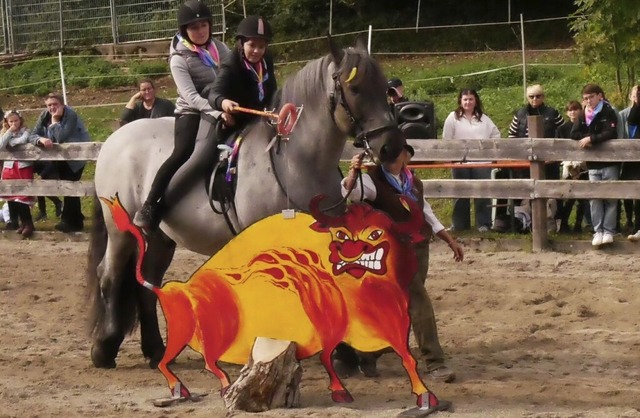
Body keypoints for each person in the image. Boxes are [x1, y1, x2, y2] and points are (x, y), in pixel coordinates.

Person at [333, 138, 463, 383]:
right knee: (417, 299)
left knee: (401, 306)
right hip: (391, 250)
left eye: (399, 154)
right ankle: (435, 362)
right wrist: (353, 171)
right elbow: (350, 192)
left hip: (418, 246)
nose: (397, 159)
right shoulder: (372, 180)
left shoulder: (413, 181)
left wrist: (448, 239)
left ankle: (368, 352)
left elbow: (427, 213)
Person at [133, 0, 230, 228]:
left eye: (204, 25)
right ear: (185, 31)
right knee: (183, 152)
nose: (200, 31)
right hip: (192, 110)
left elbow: (232, 76)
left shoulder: (220, 48)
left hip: (221, 104)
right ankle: (150, 204)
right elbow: (190, 97)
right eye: (194, 27)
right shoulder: (179, 58)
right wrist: (217, 111)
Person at [497, 84, 565, 226]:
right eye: (531, 96)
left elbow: (563, 134)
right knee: (526, 193)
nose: (535, 99)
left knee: (551, 193)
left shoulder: (553, 113)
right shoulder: (520, 114)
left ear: (543, 97)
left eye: (538, 96)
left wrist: (556, 155)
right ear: (527, 97)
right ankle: (526, 223)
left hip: (549, 163)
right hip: (524, 163)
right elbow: (512, 137)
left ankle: (552, 222)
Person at [208, 15, 277, 143]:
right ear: (241, 43)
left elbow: (273, 89)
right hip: (236, 122)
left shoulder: (266, 58)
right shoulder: (231, 64)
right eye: (252, 45)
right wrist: (223, 102)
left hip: (261, 118)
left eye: (261, 46)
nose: (257, 51)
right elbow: (213, 94)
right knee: (204, 156)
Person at [442, 88, 501, 232]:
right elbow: (447, 139)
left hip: (481, 162)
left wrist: (489, 153)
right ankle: (460, 225)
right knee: (460, 193)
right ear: (460, 101)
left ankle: (483, 224)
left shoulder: (484, 119)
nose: (468, 102)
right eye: (465, 99)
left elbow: (496, 135)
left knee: (482, 193)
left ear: (476, 101)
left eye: (471, 99)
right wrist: (452, 157)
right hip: (460, 163)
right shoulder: (452, 118)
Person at [32, 94, 90, 233]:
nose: (52, 107)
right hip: (59, 157)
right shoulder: (44, 115)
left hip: (76, 157)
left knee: (70, 187)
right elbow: (33, 134)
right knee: (65, 187)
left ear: (62, 104)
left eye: (55, 104)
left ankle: (70, 222)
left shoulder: (71, 115)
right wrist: (40, 140)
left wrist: (55, 121)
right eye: (49, 105)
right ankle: (75, 219)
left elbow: (61, 137)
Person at [570, 84, 619, 247]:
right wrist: (586, 139)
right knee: (594, 197)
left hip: (610, 161)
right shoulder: (583, 114)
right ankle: (598, 230)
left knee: (610, 197)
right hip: (592, 162)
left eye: (591, 97)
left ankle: (609, 230)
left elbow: (611, 132)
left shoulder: (608, 111)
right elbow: (574, 133)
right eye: (585, 98)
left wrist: (592, 139)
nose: (588, 101)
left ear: (599, 96)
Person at [0, 110, 37, 237]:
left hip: (23, 166)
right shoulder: (5, 133)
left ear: (20, 120)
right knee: (11, 195)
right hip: (9, 167)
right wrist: (9, 132)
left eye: (16, 120)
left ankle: (28, 223)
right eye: (11, 121)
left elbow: (23, 140)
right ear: (7, 122)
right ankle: (15, 221)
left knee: (22, 197)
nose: (14, 123)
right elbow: (1, 145)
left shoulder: (26, 131)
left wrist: (11, 143)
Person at [556, 100, 589, 234]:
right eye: (570, 110)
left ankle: (578, 224)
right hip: (568, 166)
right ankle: (564, 224)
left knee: (582, 199)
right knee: (569, 197)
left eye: (575, 109)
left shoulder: (586, 126)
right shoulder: (562, 129)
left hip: (584, 165)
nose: (573, 112)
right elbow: (559, 148)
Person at [618, 85, 640, 235]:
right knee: (626, 188)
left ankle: (638, 224)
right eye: (635, 95)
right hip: (628, 157)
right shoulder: (624, 114)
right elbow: (631, 122)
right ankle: (629, 220)